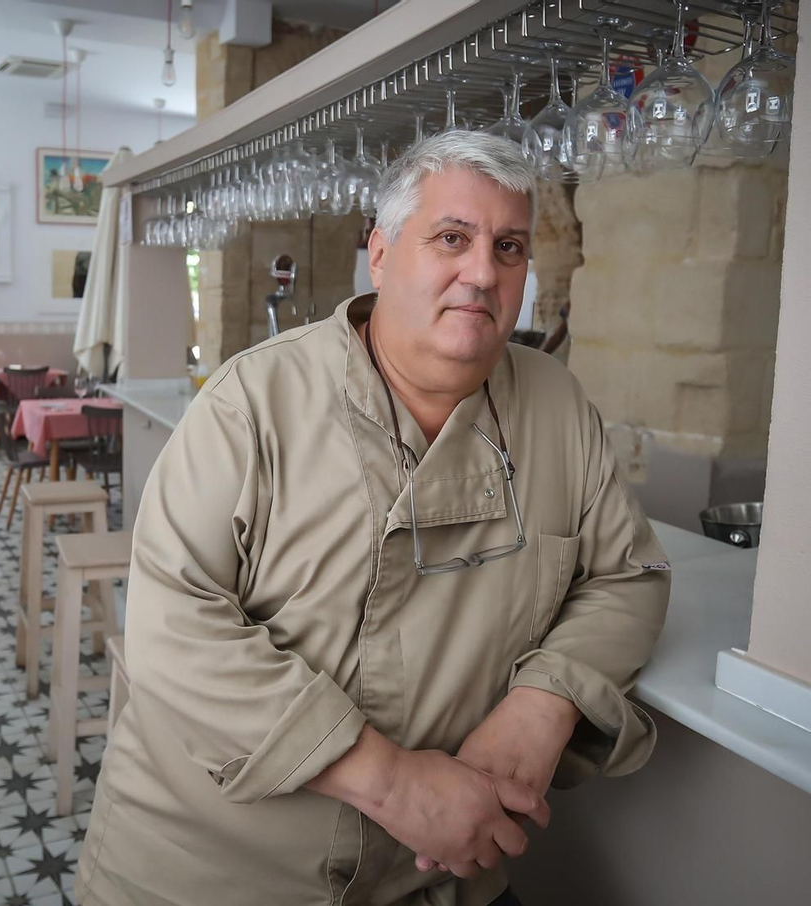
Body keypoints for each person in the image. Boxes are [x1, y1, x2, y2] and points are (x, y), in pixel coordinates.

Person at [76, 132, 670, 906]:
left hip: (432, 880)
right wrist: (391, 783)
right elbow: (173, 627)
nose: (483, 272)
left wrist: (545, 701)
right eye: (451, 238)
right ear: (381, 255)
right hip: (210, 873)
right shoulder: (251, 403)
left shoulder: (557, 405)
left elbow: (629, 576)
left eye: (510, 247)